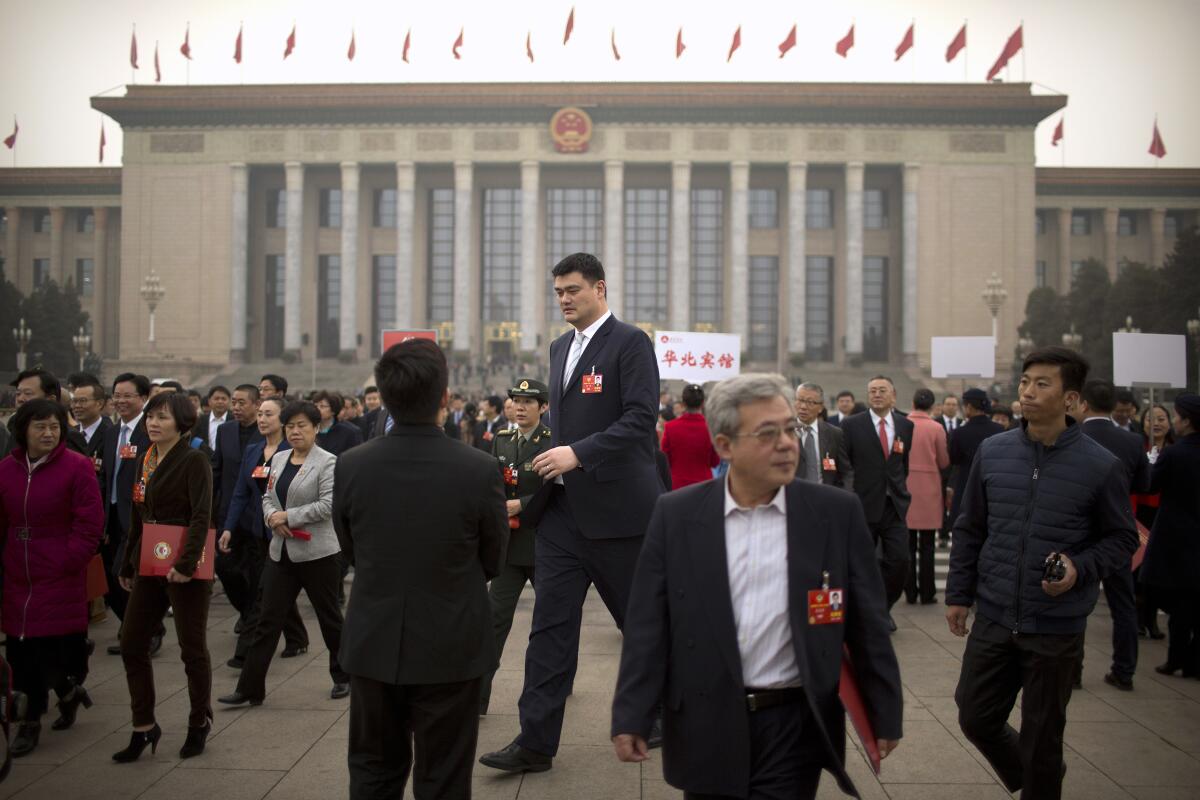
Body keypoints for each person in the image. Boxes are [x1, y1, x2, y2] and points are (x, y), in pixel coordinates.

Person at [610, 373, 903, 798]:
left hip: (793, 723)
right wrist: (631, 712)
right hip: (705, 715)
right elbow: (647, 624)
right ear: (725, 445)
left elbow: (868, 623)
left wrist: (884, 709)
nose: (787, 443)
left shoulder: (834, 513)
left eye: (790, 429)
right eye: (768, 433)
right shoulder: (677, 515)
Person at [480, 252, 664, 774]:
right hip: (561, 513)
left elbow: (640, 419)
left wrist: (578, 454)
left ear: (600, 289)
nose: (564, 299)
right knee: (549, 630)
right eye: (558, 291)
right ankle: (535, 742)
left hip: (618, 513)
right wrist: (555, 463)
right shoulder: (561, 347)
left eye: (573, 290)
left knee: (642, 624)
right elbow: (563, 423)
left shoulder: (630, 343)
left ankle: (669, 711)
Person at [947, 347, 1138, 799]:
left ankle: (1040, 779)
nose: (1027, 392)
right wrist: (959, 594)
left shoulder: (1099, 464)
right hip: (994, 613)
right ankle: (1033, 775)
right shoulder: (993, 452)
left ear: (1071, 400)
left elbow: (1123, 539)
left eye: (1042, 383)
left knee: (1043, 735)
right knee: (974, 716)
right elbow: (970, 527)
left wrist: (1080, 567)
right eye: (1025, 382)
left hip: (1055, 624)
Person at [334, 338, 507, 799]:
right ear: (445, 398)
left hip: (374, 639)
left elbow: (350, 548)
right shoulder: (479, 468)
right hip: (452, 643)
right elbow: (494, 557)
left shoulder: (352, 466)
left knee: (373, 770)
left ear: (384, 398)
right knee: (445, 777)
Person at [219, 401, 348, 706]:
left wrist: (288, 517)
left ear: (316, 428)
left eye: (302, 425)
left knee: (330, 619)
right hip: (281, 553)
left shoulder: (328, 462)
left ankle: (344, 676)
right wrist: (272, 518)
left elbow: (329, 505)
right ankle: (249, 687)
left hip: (318, 553)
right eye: (290, 426)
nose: (295, 431)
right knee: (267, 620)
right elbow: (267, 497)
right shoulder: (278, 459)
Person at [113, 392, 215, 762]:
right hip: (150, 560)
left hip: (185, 565)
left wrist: (186, 565)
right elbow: (138, 517)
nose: (153, 423)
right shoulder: (144, 459)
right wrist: (128, 563)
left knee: (192, 648)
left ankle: (198, 721)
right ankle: (144, 725)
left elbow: (202, 516)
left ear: (183, 423)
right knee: (131, 642)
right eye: (150, 417)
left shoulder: (194, 460)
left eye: (162, 417)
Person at [0, 399, 104, 756]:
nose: (48, 433)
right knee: (21, 650)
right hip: (17, 571)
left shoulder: (76, 467)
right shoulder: (6, 470)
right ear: (23, 430)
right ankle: (32, 719)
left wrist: (69, 559)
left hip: (58, 571)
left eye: (54, 427)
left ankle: (64, 692)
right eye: (40, 426)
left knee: (50, 651)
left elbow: (90, 522)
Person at [479, 378, 552, 715]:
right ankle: (478, 698)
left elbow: (560, 491)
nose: (520, 407)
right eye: (516, 401)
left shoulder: (553, 442)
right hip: (510, 548)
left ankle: (556, 684)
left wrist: (523, 503)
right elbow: (494, 484)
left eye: (528, 402)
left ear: (543, 407)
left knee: (552, 622)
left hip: (544, 544)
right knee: (494, 620)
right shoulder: (503, 441)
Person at [218, 397, 308, 669]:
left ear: (282, 419)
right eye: (259, 414)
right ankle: (297, 637)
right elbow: (240, 492)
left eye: (268, 414)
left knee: (265, 591)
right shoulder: (254, 449)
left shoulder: (292, 450)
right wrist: (229, 528)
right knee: (267, 588)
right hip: (257, 531)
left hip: (285, 532)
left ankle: (245, 652)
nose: (262, 419)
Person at [1076, 379, 1151, 691]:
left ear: (1083, 403)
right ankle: (1124, 670)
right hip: (1119, 530)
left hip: (1079, 530)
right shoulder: (1133, 442)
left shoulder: (1072, 435)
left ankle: (1072, 671)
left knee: (1076, 601)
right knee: (1123, 603)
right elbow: (1144, 486)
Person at [839, 375, 914, 621]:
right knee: (860, 563)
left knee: (900, 561)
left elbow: (902, 465)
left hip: (894, 505)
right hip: (863, 503)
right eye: (872, 391)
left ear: (893, 395)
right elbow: (846, 464)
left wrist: (899, 489)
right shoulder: (851, 425)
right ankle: (865, 612)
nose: (877, 395)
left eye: (882, 390)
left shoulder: (905, 425)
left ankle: (882, 608)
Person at [1140, 394, 1200, 679]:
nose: (1174, 421)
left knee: (1181, 603)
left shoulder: (1175, 453)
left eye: (1177, 416)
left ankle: (1177, 658)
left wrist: (1151, 464)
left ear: (1187, 421)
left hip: (1177, 536)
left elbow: (1150, 486)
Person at [101, 372, 156, 656]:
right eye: (117, 395)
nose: (120, 401)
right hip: (110, 516)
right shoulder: (111, 433)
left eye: (127, 396)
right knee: (110, 582)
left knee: (124, 575)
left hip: (137, 515)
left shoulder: (150, 432)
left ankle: (146, 631)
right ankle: (137, 627)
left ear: (143, 399)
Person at [211, 384, 263, 630]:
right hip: (229, 514)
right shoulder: (225, 431)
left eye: (242, 403)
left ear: (256, 404)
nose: (236, 407)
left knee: (256, 572)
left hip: (257, 514)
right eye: (234, 402)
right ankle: (248, 609)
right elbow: (217, 471)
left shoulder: (266, 432)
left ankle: (252, 618)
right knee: (224, 567)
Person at [943, 388, 1005, 551]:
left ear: (969, 407)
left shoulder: (959, 433)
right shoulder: (999, 430)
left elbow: (954, 459)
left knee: (964, 541)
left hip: (965, 487)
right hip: (993, 488)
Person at [905, 388, 950, 606]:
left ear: (913, 403)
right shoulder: (936, 428)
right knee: (928, 545)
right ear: (932, 406)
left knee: (908, 545)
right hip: (929, 489)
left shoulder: (902, 424)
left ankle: (910, 591)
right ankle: (927, 591)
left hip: (905, 487)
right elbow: (943, 461)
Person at [4, 369, 87, 457]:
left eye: (28, 393)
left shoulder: (69, 437)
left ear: (50, 400)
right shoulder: (16, 425)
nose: (20, 399)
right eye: (18, 393)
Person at [792, 382, 852, 489]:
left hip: (824, 497)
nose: (803, 407)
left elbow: (845, 471)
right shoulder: (784, 431)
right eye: (800, 400)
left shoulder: (834, 433)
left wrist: (845, 494)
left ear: (820, 408)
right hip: (793, 497)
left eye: (810, 402)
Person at [660, 384, 720, 489]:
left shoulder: (670, 427)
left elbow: (665, 459)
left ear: (683, 403)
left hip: (677, 484)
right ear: (702, 403)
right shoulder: (711, 427)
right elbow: (715, 461)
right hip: (704, 483)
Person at [69, 377, 113, 479]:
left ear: (99, 403)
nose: (77, 406)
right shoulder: (69, 434)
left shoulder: (110, 435)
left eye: (83, 401)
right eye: (74, 401)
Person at [314, 390, 364, 456]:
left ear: (333, 410)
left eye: (322, 406)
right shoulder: (310, 430)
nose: (317, 409)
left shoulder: (350, 432)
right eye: (315, 406)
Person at [193, 386, 231, 452]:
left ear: (229, 402)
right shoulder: (200, 421)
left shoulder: (235, 420)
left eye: (223, 399)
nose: (220, 402)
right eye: (216, 399)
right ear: (209, 401)